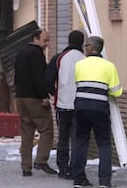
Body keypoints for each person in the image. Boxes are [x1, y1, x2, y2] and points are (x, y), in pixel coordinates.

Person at [72, 36, 122, 188]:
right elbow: (117, 92)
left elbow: (77, 83)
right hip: (100, 107)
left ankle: (79, 179)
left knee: (80, 141)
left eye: (85, 45)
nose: (84, 48)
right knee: (104, 143)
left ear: (90, 48)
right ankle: (104, 181)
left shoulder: (79, 65)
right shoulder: (109, 66)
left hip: (81, 106)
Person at [14, 29, 56, 177]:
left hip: (21, 98)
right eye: (45, 40)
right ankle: (41, 160)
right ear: (35, 39)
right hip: (34, 98)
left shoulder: (21, 53)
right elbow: (39, 78)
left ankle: (26, 167)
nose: (46, 44)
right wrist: (44, 95)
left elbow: (17, 76)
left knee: (27, 133)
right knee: (46, 129)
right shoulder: (37, 54)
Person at [44, 30, 85, 179]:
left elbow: (48, 79)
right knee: (77, 138)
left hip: (62, 105)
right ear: (82, 42)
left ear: (68, 41)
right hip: (80, 104)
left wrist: (53, 92)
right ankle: (75, 167)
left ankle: (62, 168)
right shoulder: (84, 59)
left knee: (63, 137)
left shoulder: (59, 58)